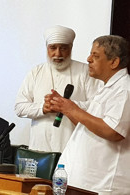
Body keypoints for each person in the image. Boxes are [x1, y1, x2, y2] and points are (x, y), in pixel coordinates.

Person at [47, 35, 130, 194]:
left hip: (104, 186)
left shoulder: (124, 90)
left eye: (96, 56)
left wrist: (72, 109)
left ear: (114, 62)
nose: (88, 59)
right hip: (84, 184)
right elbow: (89, 126)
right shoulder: (107, 88)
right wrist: (64, 108)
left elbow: (113, 131)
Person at [15, 25, 101, 152]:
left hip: (74, 149)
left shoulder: (85, 72)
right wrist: (42, 108)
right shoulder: (36, 72)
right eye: (53, 48)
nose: (58, 54)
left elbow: (97, 107)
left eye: (63, 48)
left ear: (71, 48)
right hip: (39, 149)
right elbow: (19, 107)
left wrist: (67, 106)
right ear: (47, 48)